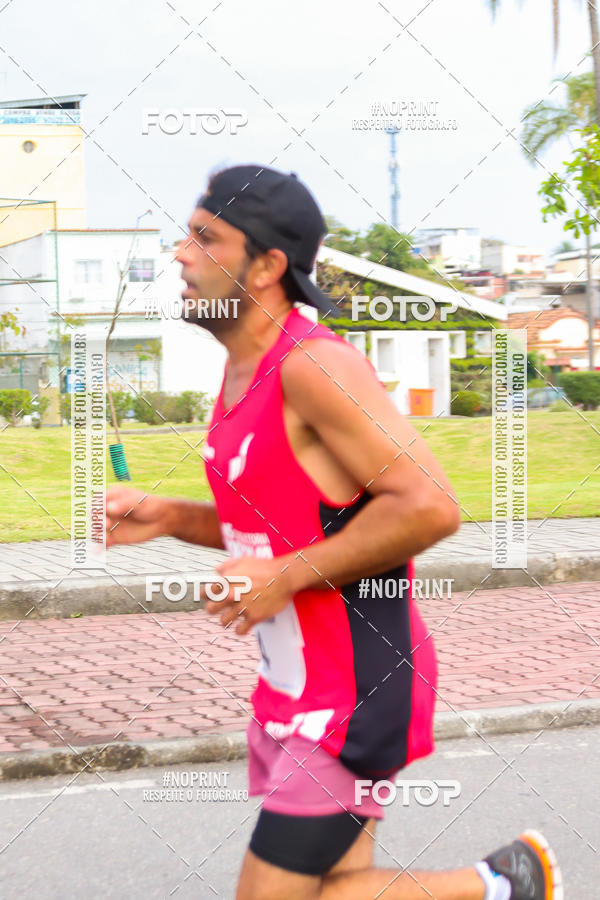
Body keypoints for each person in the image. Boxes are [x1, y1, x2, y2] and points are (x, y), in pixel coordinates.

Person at [105, 165, 562, 900]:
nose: (180, 256)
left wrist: (285, 578)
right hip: (293, 685)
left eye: (205, 238)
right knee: (340, 888)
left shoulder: (315, 365)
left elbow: (428, 506)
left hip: (354, 690)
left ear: (268, 265)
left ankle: (504, 885)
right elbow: (277, 525)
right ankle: (507, 882)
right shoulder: (240, 375)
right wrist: (170, 516)